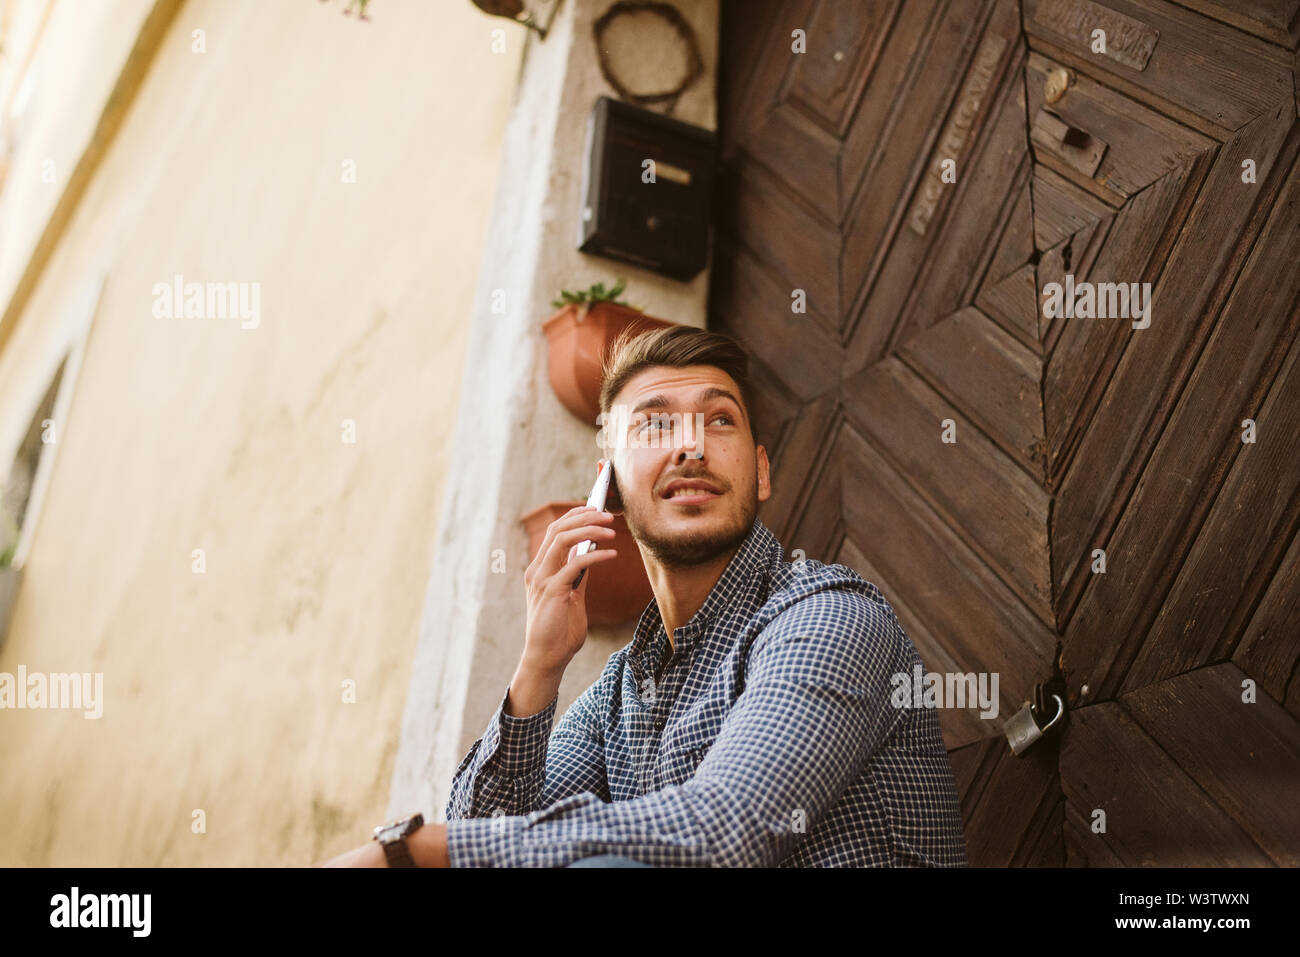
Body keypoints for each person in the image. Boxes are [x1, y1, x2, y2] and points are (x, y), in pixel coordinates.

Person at [320, 326, 967, 867]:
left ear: (761, 471)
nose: (690, 445)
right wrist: (538, 668)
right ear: (609, 487)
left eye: (719, 420)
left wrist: (404, 851)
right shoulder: (619, 692)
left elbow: (722, 830)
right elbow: (484, 843)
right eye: (656, 425)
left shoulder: (831, 617)